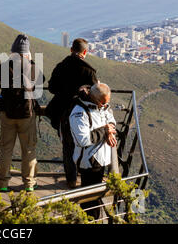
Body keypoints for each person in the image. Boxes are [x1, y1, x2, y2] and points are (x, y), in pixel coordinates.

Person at [45, 38, 98, 188]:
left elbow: (52, 88)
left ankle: (71, 180)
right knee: (84, 144)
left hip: (63, 113)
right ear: (85, 52)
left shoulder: (61, 66)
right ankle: (86, 181)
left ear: (71, 49)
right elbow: (96, 94)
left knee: (67, 147)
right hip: (82, 115)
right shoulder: (89, 71)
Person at [0, 34, 44, 192]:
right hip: (27, 115)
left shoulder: (5, 66)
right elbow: (41, 80)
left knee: (6, 149)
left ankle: (2, 184)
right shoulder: (32, 67)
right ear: (27, 52)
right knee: (28, 150)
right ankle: (29, 184)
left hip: (7, 114)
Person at [69, 83, 117, 219]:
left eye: (107, 102)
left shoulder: (103, 107)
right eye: (103, 103)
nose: (105, 105)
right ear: (94, 98)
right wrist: (105, 130)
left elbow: (111, 121)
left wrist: (110, 132)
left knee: (95, 196)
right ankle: (89, 220)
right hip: (88, 162)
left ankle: (91, 219)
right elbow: (83, 140)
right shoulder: (79, 112)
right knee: (90, 200)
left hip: (101, 159)